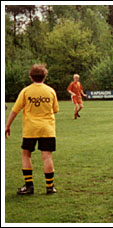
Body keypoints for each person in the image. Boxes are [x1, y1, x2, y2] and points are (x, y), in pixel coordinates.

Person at [5, 64, 59, 195]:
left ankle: (29, 186)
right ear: (45, 76)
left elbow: (15, 110)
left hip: (30, 129)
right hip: (47, 129)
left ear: (30, 76)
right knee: (47, 156)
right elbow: (55, 110)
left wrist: (7, 125)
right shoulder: (50, 91)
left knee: (26, 154)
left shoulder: (25, 91)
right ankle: (50, 187)